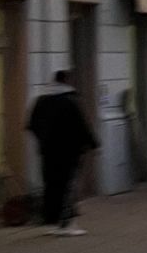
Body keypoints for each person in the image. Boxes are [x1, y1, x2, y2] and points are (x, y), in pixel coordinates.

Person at [26, 69, 99, 235]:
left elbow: (31, 124)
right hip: (69, 152)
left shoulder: (41, 100)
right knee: (68, 185)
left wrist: (43, 140)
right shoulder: (70, 101)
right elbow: (81, 125)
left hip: (47, 153)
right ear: (66, 81)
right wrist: (93, 144)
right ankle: (66, 222)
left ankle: (51, 220)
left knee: (51, 185)